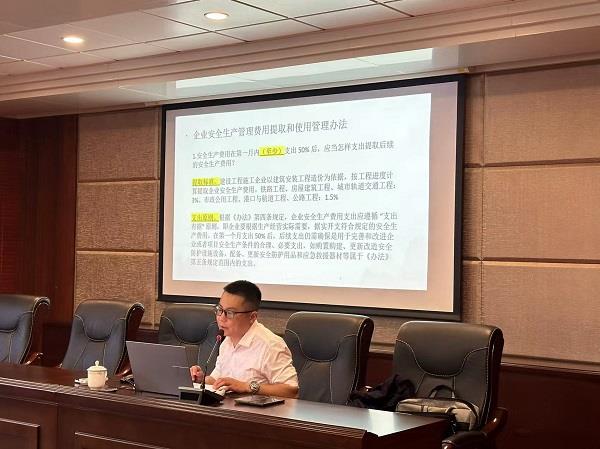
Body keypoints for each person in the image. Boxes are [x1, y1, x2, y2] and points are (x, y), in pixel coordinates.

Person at [190, 280, 298, 398]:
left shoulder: (271, 345)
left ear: (252, 317)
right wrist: (201, 380)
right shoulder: (227, 341)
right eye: (219, 309)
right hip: (228, 407)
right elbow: (217, 380)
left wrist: (247, 386)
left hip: (254, 409)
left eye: (230, 313)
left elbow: (291, 390)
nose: (221, 318)